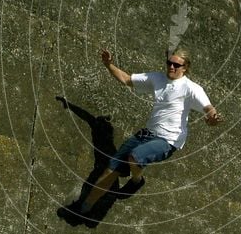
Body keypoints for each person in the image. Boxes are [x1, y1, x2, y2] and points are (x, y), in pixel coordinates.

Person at [74, 47, 222, 217]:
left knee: (135, 156)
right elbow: (127, 79)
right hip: (147, 134)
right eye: (169, 63)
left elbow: (209, 109)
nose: (171, 67)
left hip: (168, 141)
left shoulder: (192, 89)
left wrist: (213, 118)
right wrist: (108, 64)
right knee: (110, 169)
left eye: (176, 65)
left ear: (185, 67)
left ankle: (136, 181)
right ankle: (83, 207)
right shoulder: (157, 78)